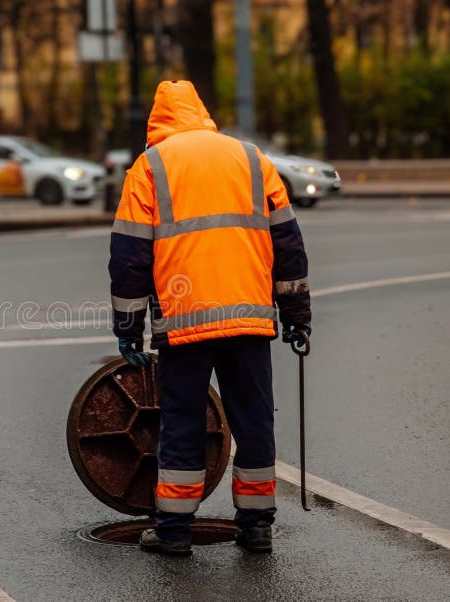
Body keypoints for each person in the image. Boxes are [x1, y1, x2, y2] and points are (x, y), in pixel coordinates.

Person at [108, 80, 311, 556]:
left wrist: (128, 327)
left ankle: (174, 531)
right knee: (254, 421)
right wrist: (297, 313)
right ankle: (257, 524)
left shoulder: (150, 167)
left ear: (157, 120)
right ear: (202, 112)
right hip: (249, 318)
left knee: (182, 423)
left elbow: (129, 257)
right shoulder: (251, 159)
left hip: (185, 323)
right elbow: (288, 243)